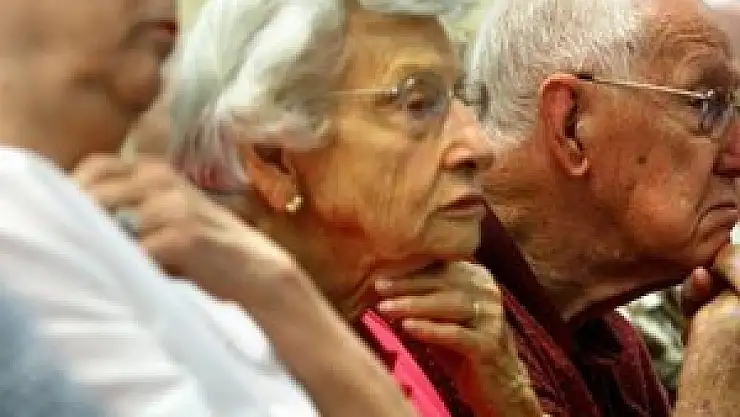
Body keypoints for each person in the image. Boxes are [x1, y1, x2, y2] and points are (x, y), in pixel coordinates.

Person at [77, 0, 544, 416]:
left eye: (463, 98)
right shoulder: (180, 352)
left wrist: (508, 399)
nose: (477, 147)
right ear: (273, 158)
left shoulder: (421, 325)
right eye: (418, 103)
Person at [0, 1, 417, 416]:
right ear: (273, 157)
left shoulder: (188, 256)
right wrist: (280, 294)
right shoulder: (16, 216)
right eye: (416, 103)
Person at [469, 0, 740, 415]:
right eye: (707, 104)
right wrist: (713, 392)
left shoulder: (609, 342)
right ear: (572, 124)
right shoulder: (434, 320)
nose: (736, 156)